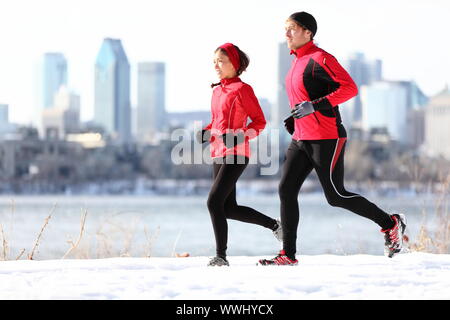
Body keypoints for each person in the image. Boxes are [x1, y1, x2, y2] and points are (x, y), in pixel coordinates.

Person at [258, 12, 407, 266]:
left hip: (327, 137)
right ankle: (288, 254)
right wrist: (296, 118)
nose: (287, 34)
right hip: (301, 138)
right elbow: (305, 97)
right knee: (286, 189)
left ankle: (390, 223)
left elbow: (349, 88)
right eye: (285, 29)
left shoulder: (321, 58)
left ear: (308, 32)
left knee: (336, 195)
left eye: (292, 29)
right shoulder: (296, 62)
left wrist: (315, 107)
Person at [197, 43, 282, 266]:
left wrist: (238, 136)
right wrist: (206, 132)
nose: (216, 65)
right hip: (217, 152)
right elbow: (216, 122)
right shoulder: (217, 91)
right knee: (228, 208)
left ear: (234, 64)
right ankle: (275, 225)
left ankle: (221, 256)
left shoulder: (243, 90)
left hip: (237, 153)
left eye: (221, 61)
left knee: (213, 202)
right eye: (214, 61)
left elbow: (260, 122)